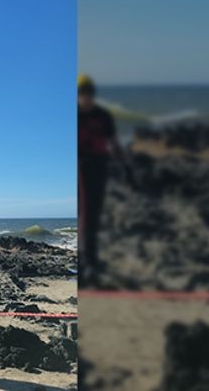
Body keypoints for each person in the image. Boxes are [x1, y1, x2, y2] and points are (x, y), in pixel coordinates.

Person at [77, 74, 131, 285]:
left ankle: (92, 260)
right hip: (80, 167)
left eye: (89, 94)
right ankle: (83, 260)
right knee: (83, 213)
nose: (86, 98)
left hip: (99, 166)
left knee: (94, 215)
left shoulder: (103, 116)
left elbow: (114, 142)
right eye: (82, 94)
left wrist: (125, 165)